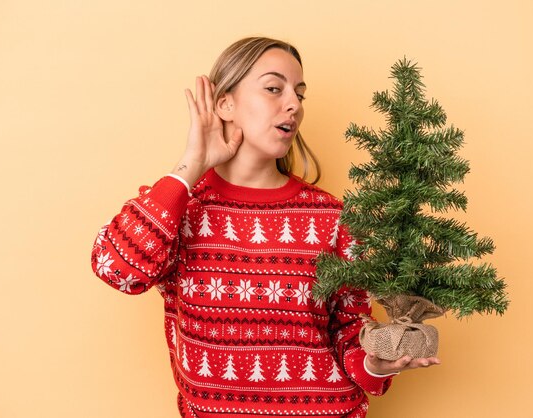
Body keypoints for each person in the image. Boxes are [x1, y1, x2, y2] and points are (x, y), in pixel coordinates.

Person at [90, 36, 439, 418]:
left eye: (299, 94)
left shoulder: (333, 216)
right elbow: (116, 270)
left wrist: (376, 365)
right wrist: (192, 162)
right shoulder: (179, 209)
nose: (293, 104)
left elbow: (349, 330)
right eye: (274, 88)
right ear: (225, 104)